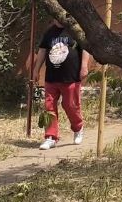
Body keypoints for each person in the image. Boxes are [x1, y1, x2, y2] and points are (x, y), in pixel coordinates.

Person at [32, 20, 91, 150]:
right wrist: (36, 70)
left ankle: (78, 127)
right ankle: (50, 137)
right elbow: (42, 50)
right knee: (49, 107)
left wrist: (84, 66)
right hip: (51, 77)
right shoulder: (49, 32)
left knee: (70, 105)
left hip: (71, 77)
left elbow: (86, 48)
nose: (57, 19)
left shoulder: (75, 30)